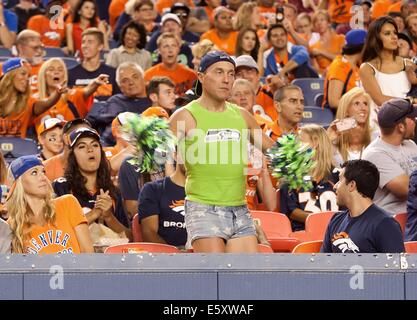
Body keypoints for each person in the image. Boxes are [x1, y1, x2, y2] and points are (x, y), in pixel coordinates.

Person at [169, 51, 275, 253]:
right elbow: (157, 151)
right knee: (215, 275)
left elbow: (273, 150)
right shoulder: (185, 116)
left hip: (240, 208)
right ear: (201, 77)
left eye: (231, 73)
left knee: (244, 276)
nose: (226, 80)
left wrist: (300, 152)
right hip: (203, 208)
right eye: (219, 72)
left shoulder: (242, 115)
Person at [52, 127, 131, 238]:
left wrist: (109, 217)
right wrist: (94, 213)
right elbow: (56, 233)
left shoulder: (113, 191)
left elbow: (129, 237)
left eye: (95, 145)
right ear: (73, 156)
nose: (90, 149)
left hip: (108, 254)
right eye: (82, 146)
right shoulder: (61, 187)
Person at [7, 155, 94, 253]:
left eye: (43, 172)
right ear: (19, 183)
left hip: (75, 268)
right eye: (34, 173)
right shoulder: (14, 224)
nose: (43, 177)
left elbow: (88, 253)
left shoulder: (67, 203)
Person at [321, 159, 405, 253]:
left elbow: (396, 266)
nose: (335, 186)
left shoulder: (385, 224)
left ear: (352, 185)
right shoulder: (335, 220)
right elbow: (323, 264)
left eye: (339, 180)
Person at [363, 98, 417, 215]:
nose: (415, 121)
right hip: (392, 220)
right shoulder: (375, 153)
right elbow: (405, 188)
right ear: (401, 127)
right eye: (412, 119)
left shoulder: (410, 145)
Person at [280, 124, 339, 231]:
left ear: (315, 143)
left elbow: (348, 208)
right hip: (304, 233)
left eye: (299, 141)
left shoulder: (339, 175)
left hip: (335, 233)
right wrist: (320, 220)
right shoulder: (291, 176)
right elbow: (291, 211)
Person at [86, 62, 152, 146]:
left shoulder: (154, 100)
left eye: (135, 77)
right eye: (125, 80)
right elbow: (93, 121)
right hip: (110, 148)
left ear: (144, 79)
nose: (131, 82)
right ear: (120, 87)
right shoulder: (116, 101)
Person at [360, 16, 413, 120]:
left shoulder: (407, 63)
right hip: (381, 123)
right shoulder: (367, 68)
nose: (394, 37)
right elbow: (380, 99)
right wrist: (410, 102)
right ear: (376, 38)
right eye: (387, 34)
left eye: (395, 33)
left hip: (408, 119)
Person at [0, 58, 67, 138]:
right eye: (23, 74)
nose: (27, 79)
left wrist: (57, 93)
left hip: (20, 150)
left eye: (28, 76)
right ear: (9, 75)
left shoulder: (27, 103)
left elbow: (48, 103)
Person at [35, 57, 108, 130]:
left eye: (60, 70)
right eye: (51, 69)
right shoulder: (35, 100)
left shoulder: (73, 94)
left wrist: (96, 83)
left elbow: (86, 91)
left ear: (65, 75)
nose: (56, 72)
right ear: (43, 75)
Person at [138, 152, 187, 248]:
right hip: (165, 258)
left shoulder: (210, 193)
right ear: (176, 155)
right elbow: (149, 233)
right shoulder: (153, 189)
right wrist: (175, 256)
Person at [327, 88, 375, 167]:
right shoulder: (334, 140)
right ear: (346, 110)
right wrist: (327, 140)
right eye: (356, 103)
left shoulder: (375, 138)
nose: (363, 108)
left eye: (365, 104)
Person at [68, 28, 120, 101]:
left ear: (100, 46)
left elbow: (118, 101)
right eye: (83, 42)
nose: (85, 46)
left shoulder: (112, 73)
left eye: (90, 42)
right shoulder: (71, 74)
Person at [323, 29, 367, 111]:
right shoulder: (339, 66)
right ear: (363, 47)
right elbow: (334, 102)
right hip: (341, 117)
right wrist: (360, 108)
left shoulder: (358, 66)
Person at [309, 10, 345, 76]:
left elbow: (343, 60)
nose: (319, 23)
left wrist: (321, 52)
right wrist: (321, 73)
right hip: (324, 78)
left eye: (322, 20)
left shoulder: (341, 39)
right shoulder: (313, 47)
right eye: (316, 21)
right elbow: (315, 69)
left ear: (329, 23)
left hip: (341, 73)